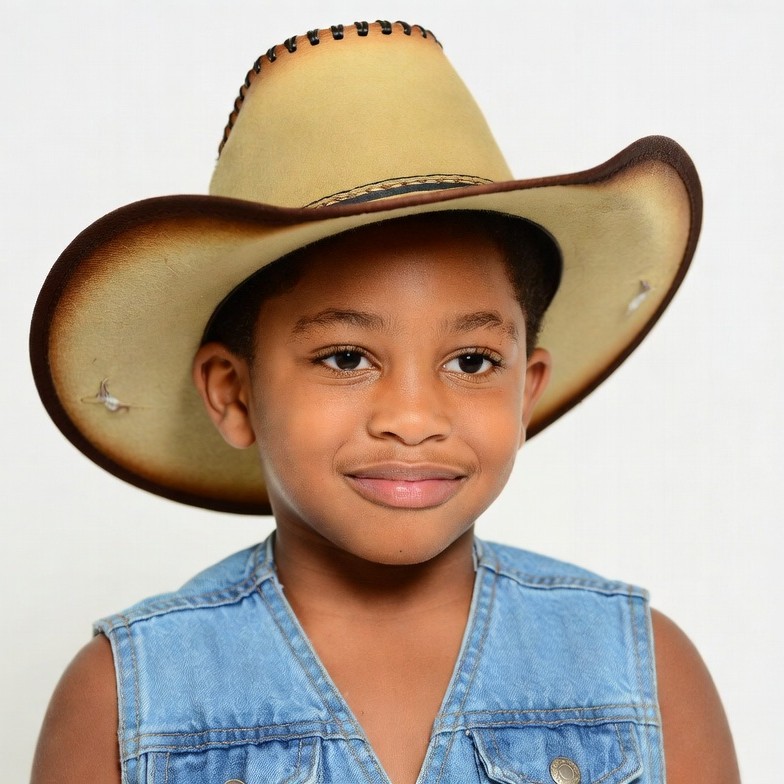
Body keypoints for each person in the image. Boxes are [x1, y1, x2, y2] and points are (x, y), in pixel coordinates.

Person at [29, 20, 738, 784]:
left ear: (526, 389)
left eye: (471, 361)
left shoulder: (646, 676)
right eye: (345, 357)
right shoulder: (125, 699)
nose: (413, 416)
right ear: (233, 394)